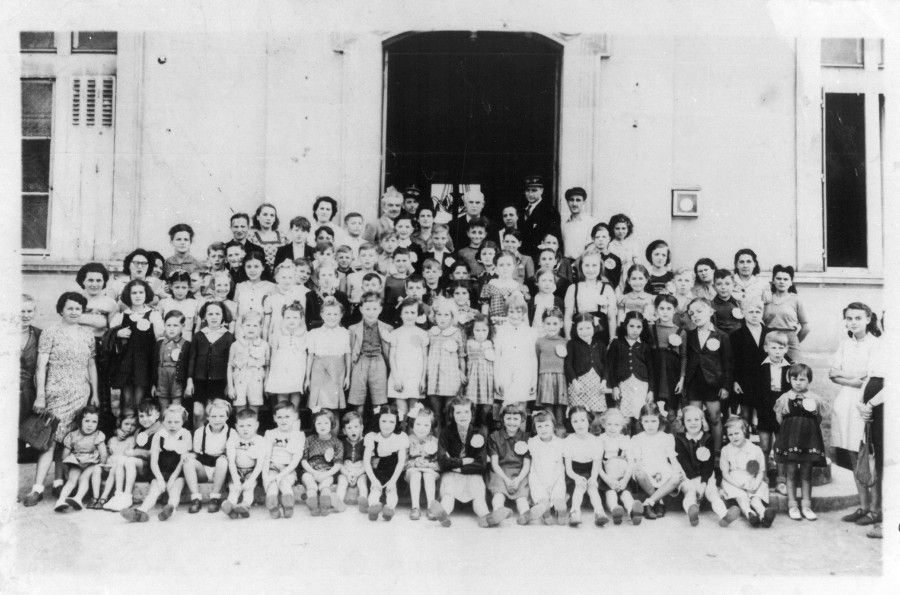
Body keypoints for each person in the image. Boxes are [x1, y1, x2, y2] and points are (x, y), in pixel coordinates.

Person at [23, 292, 99, 507]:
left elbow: (90, 365)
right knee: (50, 440)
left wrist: (95, 393)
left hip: (80, 394)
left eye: (78, 308)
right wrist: (40, 395)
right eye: (70, 308)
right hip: (56, 393)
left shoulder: (87, 334)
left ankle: (58, 483)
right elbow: (41, 365)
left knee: (67, 440)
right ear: (61, 310)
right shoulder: (51, 332)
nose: (74, 312)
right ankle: (37, 488)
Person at [830, 302, 881, 524]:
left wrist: (846, 375)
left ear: (868, 319)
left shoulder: (876, 345)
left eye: (858, 318)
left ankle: (875, 510)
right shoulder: (844, 344)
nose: (853, 322)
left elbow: (870, 378)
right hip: (845, 404)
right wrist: (852, 378)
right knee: (853, 455)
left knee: (868, 455)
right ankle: (863, 506)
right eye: (849, 318)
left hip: (866, 402)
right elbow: (832, 374)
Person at [679, 298, 732, 455]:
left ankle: (716, 453)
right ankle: (695, 453)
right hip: (694, 382)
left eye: (699, 311)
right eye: (692, 313)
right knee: (694, 419)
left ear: (710, 311)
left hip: (713, 383)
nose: (695, 315)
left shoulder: (722, 336)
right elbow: (686, 358)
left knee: (715, 418)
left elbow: (727, 363)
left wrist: (726, 386)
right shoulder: (688, 335)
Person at [121, 404, 191, 522]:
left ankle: (170, 509)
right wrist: (159, 479)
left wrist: (173, 478)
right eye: (169, 422)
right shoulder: (158, 436)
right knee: (153, 492)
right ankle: (142, 511)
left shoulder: (185, 435)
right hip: (160, 470)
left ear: (182, 422)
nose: (172, 425)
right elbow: (153, 462)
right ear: (163, 421)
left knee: (175, 491)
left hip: (177, 472)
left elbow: (182, 460)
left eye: (176, 422)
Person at [774, 363, 825, 521]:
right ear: (789, 379)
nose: (798, 382)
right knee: (790, 473)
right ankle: (792, 505)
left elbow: (819, 418)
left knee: (806, 473)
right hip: (790, 439)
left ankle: (806, 506)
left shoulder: (815, 398)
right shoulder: (784, 398)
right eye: (794, 378)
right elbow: (780, 419)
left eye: (802, 379)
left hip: (808, 439)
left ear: (809, 381)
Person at [674, 405, 740, 527]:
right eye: (689, 420)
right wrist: (696, 482)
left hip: (706, 475)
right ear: (683, 422)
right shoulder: (679, 439)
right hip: (687, 476)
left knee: (713, 493)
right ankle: (692, 511)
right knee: (690, 493)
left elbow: (708, 465)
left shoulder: (707, 438)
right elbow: (684, 462)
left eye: (696, 420)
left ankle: (724, 515)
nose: (693, 423)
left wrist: (704, 483)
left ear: (702, 421)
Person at [434, 397, 493, 528]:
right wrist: (462, 461)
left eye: (466, 412)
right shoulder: (446, 432)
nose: (463, 416)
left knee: (479, 496)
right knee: (448, 495)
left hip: (470, 472)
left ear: (472, 413)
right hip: (452, 473)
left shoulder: (478, 432)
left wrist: (459, 468)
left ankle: (486, 517)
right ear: (452, 414)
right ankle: (442, 515)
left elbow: (481, 463)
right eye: (458, 412)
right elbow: (442, 461)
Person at [111, 280, 164, 410]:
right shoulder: (121, 316)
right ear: (128, 295)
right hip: (126, 365)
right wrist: (117, 333)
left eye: (141, 292)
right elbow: (109, 337)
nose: (138, 295)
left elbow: (160, 341)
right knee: (127, 400)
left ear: (146, 295)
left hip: (144, 365)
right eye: (134, 293)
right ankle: (127, 426)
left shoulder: (154, 315)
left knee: (140, 400)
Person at [102, 400, 162, 512]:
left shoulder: (159, 431)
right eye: (141, 416)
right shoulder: (139, 430)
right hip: (138, 465)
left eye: (149, 415)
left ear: (158, 415)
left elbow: (154, 454)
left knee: (129, 461)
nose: (145, 419)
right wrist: (117, 430)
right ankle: (118, 494)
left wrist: (136, 453)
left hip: (152, 467)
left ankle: (127, 496)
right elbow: (125, 430)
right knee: (121, 460)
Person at [185, 301, 235, 427]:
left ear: (223, 316)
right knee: (198, 412)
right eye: (210, 314)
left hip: (219, 382)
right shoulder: (198, 336)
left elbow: (231, 363)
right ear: (204, 316)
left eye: (217, 314)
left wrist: (229, 384)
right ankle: (198, 440)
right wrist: (190, 380)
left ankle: (213, 440)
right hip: (199, 381)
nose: (213, 317)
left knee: (215, 413)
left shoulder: (228, 337)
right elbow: (192, 359)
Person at [720, 416, 775, 528]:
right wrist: (738, 485)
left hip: (752, 479)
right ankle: (750, 514)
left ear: (744, 431)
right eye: (730, 435)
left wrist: (755, 484)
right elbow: (725, 473)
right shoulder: (726, 450)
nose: (733, 437)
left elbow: (760, 471)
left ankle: (764, 514)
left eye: (736, 433)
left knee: (756, 499)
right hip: (734, 480)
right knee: (742, 498)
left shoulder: (755, 449)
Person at [75, 264, 116, 416]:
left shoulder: (110, 303)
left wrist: (83, 319)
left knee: (100, 387)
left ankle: (101, 425)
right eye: (90, 280)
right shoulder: (75, 300)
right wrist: (98, 320)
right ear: (83, 281)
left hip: (101, 349)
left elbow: (110, 328)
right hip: (78, 347)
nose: (94, 284)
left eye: (99, 280)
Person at [629, 403, 681, 520]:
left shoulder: (667, 437)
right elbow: (637, 460)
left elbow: (672, 458)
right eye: (646, 421)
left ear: (659, 420)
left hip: (662, 467)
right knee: (639, 473)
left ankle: (650, 501)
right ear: (641, 422)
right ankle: (660, 502)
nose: (650, 425)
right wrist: (637, 468)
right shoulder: (637, 439)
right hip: (645, 467)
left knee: (676, 477)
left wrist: (677, 470)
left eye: (653, 421)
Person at [755, 331, 792, 492]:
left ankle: (781, 480)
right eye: (773, 347)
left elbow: (794, 390)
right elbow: (754, 391)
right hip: (764, 409)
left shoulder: (791, 368)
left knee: (781, 446)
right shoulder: (760, 367)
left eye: (781, 348)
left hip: (783, 412)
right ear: (766, 348)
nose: (777, 351)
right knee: (764, 446)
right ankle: (762, 478)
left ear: (786, 349)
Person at [607, 312, 656, 429]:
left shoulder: (645, 346)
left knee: (640, 415)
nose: (635, 330)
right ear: (625, 326)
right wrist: (614, 386)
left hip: (641, 386)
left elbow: (651, 370)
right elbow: (610, 367)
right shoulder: (617, 343)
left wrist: (651, 390)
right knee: (624, 416)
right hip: (623, 385)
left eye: (639, 327)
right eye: (631, 326)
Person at [54, 405, 107, 512]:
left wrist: (101, 465)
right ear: (80, 421)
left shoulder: (98, 435)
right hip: (76, 461)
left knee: (84, 478)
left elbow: (103, 453)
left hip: (92, 462)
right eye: (87, 421)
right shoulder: (72, 435)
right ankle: (61, 500)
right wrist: (66, 467)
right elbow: (66, 453)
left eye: (94, 422)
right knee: (72, 480)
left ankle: (78, 498)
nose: (90, 425)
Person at [182, 399, 232, 513]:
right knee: (188, 461)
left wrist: (225, 457)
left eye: (221, 416)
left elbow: (231, 456)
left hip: (220, 471)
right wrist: (188, 457)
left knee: (222, 461)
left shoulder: (231, 433)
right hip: (204, 469)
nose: (217, 420)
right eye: (213, 416)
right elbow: (196, 453)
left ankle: (215, 497)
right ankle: (195, 498)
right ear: (208, 417)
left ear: (227, 417)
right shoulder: (200, 432)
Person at [304, 298, 351, 415]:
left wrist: (347, 376)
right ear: (322, 315)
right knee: (318, 405)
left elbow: (347, 355)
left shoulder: (345, 333)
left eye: (335, 314)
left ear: (341, 316)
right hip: (319, 370)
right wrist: (307, 378)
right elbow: (310, 356)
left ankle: (334, 432)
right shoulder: (314, 333)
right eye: (328, 314)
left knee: (334, 405)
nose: (332, 317)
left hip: (337, 370)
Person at [348, 292, 392, 417]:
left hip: (379, 361)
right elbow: (351, 349)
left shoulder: (387, 328)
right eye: (367, 309)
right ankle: (359, 428)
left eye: (374, 309)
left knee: (378, 400)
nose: (371, 312)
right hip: (361, 360)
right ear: (361, 309)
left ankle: (376, 429)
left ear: (380, 309)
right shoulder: (353, 329)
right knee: (358, 400)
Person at [564, 407, 608, 527]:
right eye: (575, 421)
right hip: (574, 473)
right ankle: (575, 512)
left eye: (583, 420)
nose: (579, 424)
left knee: (592, 488)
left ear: (588, 421)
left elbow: (596, 464)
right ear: (571, 423)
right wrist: (576, 477)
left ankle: (599, 512)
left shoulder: (595, 441)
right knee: (579, 487)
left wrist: (593, 478)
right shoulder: (568, 441)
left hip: (591, 471)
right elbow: (568, 469)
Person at [363, 404, 409, 521]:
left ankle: (389, 509)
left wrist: (393, 481)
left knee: (391, 489)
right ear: (378, 420)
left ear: (396, 422)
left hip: (394, 469)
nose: (387, 425)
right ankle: (373, 507)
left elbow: (401, 462)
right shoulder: (372, 436)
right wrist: (373, 480)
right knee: (375, 488)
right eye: (383, 421)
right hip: (377, 467)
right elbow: (366, 461)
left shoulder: (401, 437)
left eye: (391, 422)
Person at [425, 298, 466, 429]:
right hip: (433, 377)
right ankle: (437, 443)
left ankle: (450, 441)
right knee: (436, 414)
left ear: (452, 316)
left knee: (449, 413)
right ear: (434, 316)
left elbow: (461, 356)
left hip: (450, 377)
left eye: (446, 315)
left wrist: (462, 372)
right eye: (439, 315)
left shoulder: (456, 333)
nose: (442, 318)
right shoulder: (431, 333)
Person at [388, 298, 430, 423]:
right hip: (399, 376)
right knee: (402, 411)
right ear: (400, 314)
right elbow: (392, 356)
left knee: (414, 411)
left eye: (413, 312)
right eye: (406, 312)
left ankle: (412, 438)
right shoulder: (395, 333)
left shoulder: (422, 333)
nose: (409, 316)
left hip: (415, 376)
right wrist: (396, 377)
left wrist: (423, 379)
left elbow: (424, 357)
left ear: (418, 314)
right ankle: (402, 437)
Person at [488, 404, 531, 525]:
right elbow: (495, 464)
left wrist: (518, 479)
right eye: (508, 419)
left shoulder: (526, 437)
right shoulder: (494, 437)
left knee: (522, 496)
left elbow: (527, 464)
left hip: (519, 472)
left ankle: (525, 514)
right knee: (499, 493)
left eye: (515, 419)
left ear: (522, 420)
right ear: (502, 419)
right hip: (500, 471)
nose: (512, 422)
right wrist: (506, 479)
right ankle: (498, 512)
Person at [596, 408, 640, 524]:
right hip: (608, 477)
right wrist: (607, 479)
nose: (612, 427)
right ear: (604, 425)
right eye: (609, 424)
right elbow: (597, 464)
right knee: (610, 493)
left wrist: (625, 480)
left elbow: (631, 462)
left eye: (616, 424)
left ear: (622, 426)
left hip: (623, 476)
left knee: (626, 494)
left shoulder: (625, 440)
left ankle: (633, 511)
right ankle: (615, 510)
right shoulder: (601, 440)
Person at [729, 299, 769, 427]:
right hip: (745, 379)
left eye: (758, 311)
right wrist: (734, 380)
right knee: (745, 414)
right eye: (750, 311)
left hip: (765, 379)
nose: (754, 314)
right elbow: (732, 360)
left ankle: (763, 443)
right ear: (743, 313)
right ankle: (745, 441)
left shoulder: (769, 333)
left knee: (763, 414)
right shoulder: (736, 335)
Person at [563, 249, 616, 343]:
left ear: (600, 267)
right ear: (581, 266)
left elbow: (611, 318)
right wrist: (568, 339)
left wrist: (612, 340)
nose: (590, 269)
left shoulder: (607, 289)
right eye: (587, 265)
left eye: (594, 265)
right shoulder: (573, 289)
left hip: (601, 337)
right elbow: (568, 317)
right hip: (579, 336)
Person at [221, 408, 266, 519]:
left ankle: (245, 505)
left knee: (248, 489)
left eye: (249, 426)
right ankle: (230, 505)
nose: (245, 429)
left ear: (256, 425)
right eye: (241, 426)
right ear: (236, 426)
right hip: (237, 470)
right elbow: (231, 461)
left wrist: (250, 481)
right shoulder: (233, 440)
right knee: (234, 488)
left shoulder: (260, 440)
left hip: (252, 472)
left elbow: (260, 464)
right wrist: (236, 478)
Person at [263, 402, 305, 519]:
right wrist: (265, 477)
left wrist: (281, 475)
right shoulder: (270, 433)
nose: (283, 420)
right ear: (274, 418)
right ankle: (273, 506)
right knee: (272, 485)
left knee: (284, 483)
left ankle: (288, 505)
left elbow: (296, 460)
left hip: (288, 468)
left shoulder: (298, 435)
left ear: (295, 417)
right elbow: (266, 457)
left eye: (287, 417)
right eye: (280, 417)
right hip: (273, 466)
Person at [264, 301, 307, 414]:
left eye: (295, 317)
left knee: (295, 396)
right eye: (288, 317)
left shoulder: (305, 334)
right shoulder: (278, 333)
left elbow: (306, 354)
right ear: (283, 318)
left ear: (301, 318)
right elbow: (273, 354)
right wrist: (271, 372)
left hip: (297, 369)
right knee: (282, 396)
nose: (291, 320)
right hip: (281, 368)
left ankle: (294, 424)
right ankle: (282, 420)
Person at [525, 409, 567, 525]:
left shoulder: (560, 442)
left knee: (559, 494)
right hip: (538, 478)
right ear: (535, 428)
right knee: (541, 496)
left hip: (556, 477)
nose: (543, 429)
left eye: (547, 425)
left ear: (553, 426)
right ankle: (545, 510)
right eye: (539, 426)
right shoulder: (532, 442)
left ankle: (561, 508)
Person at [301, 409, 344, 516]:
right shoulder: (309, 440)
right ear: (314, 425)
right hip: (310, 470)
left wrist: (326, 474)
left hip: (327, 471)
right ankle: (313, 504)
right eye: (318, 423)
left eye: (326, 423)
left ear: (332, 424)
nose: (322, 426)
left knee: (326, 484)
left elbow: (338, 464)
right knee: (309, 481)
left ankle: (325, 504)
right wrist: (313, 472)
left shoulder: (337, 442)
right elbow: (304, 460)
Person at [762, 265, 809, 361]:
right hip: (770, 339)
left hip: (789, 341)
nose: (782, 281)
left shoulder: (796, 299)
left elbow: (806, 328)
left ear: (791, 282)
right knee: (768, 370)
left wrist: (794, 340)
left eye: (785, 279)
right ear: (773, 281)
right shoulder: (767, 298)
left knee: (794, 370)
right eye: (778, 278)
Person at [564, 313, 608, 415]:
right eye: (581, 329)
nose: (585, 332)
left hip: (596, 384)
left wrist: (604, 381)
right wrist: (574, 381)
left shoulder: (600, 344)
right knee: (579, 412)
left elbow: (607, 365)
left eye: (588, 328)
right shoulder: (572, 344)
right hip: (578, 384)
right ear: (575, 329)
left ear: (594, 327)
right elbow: (568, 365)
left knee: (596, 412)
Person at [649, 295, 685, 418]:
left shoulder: (681, 332)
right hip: (655, 374)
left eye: (669, 308)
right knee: (654, 410)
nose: (665, 312)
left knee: (670, 410)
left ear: (674, 310)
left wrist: (681, 379)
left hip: (672, 375)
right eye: (661, 308)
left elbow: (684, 357)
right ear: (656, 310)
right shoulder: (650, 328)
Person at [227, 312, 270, 414]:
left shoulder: (264, 345)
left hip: (256, 379)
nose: (251, 328)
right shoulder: (235, 345)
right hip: (239, 379)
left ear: (260, 327)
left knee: (254, 408)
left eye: (255, 326)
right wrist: (230, 387)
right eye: (248, 325)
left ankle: (252, 429)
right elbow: (230, 366)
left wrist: (266, 384)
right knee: (239, 407)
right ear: (242, 327)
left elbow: (267, 367)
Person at [96, 409, 137, 509]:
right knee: (101, 469)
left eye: (133, 425)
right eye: (126, 424)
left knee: (115, 469)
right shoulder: (112, 439)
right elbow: (107, 453)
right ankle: (99, 496)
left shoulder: (133, 439)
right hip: (109, 465)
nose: (129, 427)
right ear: (120, 424)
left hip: (119, 468)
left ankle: (107, 496)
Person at [405, 406, 441, 520]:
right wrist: (414, 463)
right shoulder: (408, 440)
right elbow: (403, 461)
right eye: (418, 424)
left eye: (426, 425)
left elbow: (440, 462)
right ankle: (415, 507)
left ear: (431, 427)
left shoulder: (435, 441)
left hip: (430, 469)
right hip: (412, 470)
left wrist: (429, 465)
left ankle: (431, 506)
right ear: (413, 424)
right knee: (416, 474)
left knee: (428, 475)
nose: (422, 428)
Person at [151, 310, 190, 410]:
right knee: (163, 406)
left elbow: (187, 366)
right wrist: (154, 384)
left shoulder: (186, 344)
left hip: (177, 379)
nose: (171, 329)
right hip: (161, 378)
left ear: (183, 326)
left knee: (176, 407)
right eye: (168, 325)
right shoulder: (159, 343)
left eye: (175, 325)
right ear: (164, 325)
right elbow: (154, 364)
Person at [535, 308, 568, 426]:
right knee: (548, 409)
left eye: (555, 323)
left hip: (560, 378)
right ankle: (549, 430)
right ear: (543, 324)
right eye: (548, 323)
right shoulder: (539, 342)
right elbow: (537, 360)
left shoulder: (565, 342)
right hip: (545, 377)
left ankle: (560, 429)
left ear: (561, 324)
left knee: (559, 409)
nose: (551, 327)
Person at [480, 250, 531, 325]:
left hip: (513, 326)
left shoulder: (518, 287)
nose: (505, 268)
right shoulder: (490, 285)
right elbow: (484, 311)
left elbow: (524, 314)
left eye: (508, 265)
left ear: (514, 266)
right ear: (496, 267)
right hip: (495, 325)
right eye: (501, 265)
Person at [519, 175, 561, 258]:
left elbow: (552, 238)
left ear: (541, 191)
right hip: (524, 257)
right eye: (527, 190)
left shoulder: (549, 211)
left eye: (534, 190)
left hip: (540, 257)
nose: (530, 194)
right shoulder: (522, 210)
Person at [336, 411, 368, 513]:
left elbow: (368, 463)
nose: (353, 430)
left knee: (362, 483)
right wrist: (347, 473)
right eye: (349, 428)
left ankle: (363, 502)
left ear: (361, 428)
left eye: (356, 427)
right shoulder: (342, 443)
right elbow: (339, 463)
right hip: (346, 470)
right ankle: (338, 502)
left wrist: (358, 473)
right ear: (344, 431)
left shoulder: (366, 442)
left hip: (361, 471)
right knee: (341, 482)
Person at [157, 270, 199, 340]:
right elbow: (158, 326)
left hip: (187, 343)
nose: (180, 291)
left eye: (184, 287)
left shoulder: (194, 303)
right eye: (177, 287)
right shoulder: (163, 303)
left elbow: (197, 326)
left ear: (188, 287)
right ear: (171, 286)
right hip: (168, 342)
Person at [19, 295, 42, 425]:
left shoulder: (39, 334)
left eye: (29, 311)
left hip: (29, 394)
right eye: (22, 311)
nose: (26, 315)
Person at [560, 187, 598, 261]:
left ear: (584, 202)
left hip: (582, 263)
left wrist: (578, 263)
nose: (574, 204)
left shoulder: (590, 222)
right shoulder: (564, 223)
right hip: (565, 263)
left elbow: (591, 247)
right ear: (567, 202)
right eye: (571, 200)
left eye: (578, 200)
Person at [247, 203, 288, 269]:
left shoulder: (283, 236)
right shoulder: (251, 237)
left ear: (275, 219)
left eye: (272, 215)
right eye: (265, 214)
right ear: (258, 217)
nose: (268, 218)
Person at [711, 269, 742, 335]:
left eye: (727, 284)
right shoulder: (710, 306)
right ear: (714, 287)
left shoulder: (739, 303)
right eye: (719, 284)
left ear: (734, 285)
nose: (723, 287)